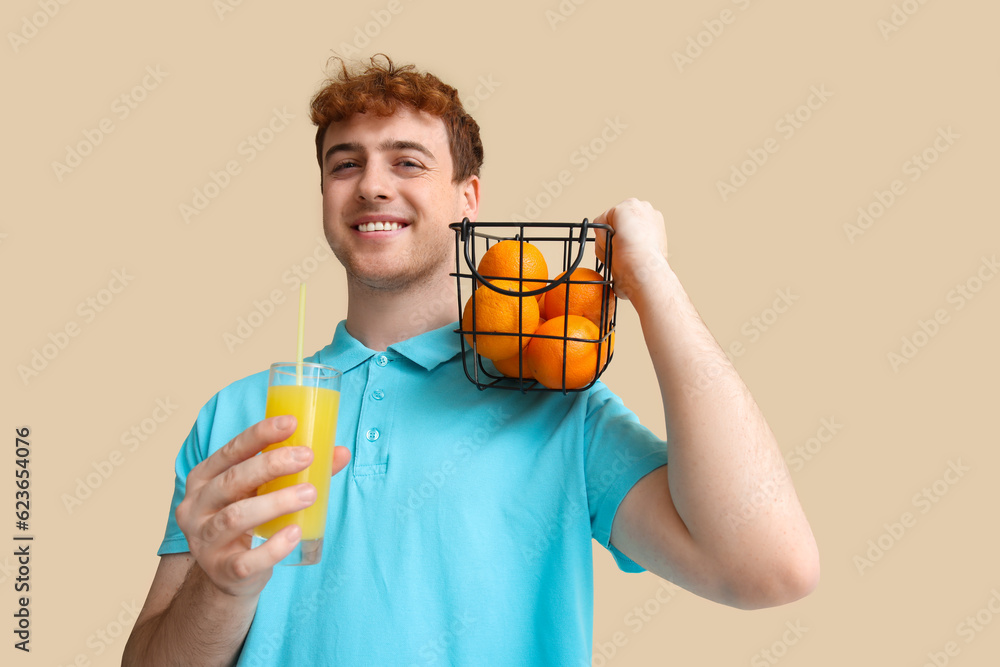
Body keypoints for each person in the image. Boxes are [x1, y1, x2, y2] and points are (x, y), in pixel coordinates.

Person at [123, 55, 819, 666]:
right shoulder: (239, 416)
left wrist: (651, 278)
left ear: (468, 200)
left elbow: (770, 567)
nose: (371, 185)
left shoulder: (556, 406)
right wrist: (218, 590)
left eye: (407, 161)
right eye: (345, 163)